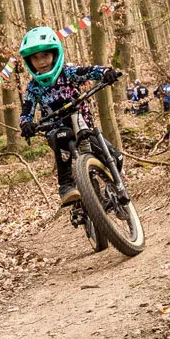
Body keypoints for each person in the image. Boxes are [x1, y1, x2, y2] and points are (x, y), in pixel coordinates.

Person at [17, 26, 122, 206]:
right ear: (29, 61)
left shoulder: (68, 72)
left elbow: (88, 71)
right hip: (56, 131)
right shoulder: (33, 87)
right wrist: (26, 123)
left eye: (45, 55)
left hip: (83, 126)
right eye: (35, 58)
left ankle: (112, 189)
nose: (41, 61)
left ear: (55, 54)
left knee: (116, 157)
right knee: (63, 134)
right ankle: (66, 185)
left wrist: (106, 72)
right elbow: (27, 108)